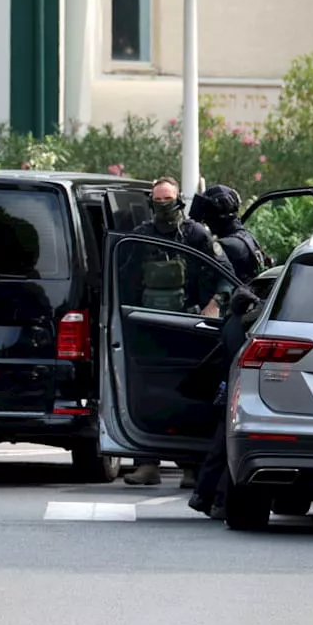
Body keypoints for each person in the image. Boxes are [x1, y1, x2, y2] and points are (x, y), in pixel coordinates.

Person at [123, 176, 233, 488]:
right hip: (149, 327)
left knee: (189, 395)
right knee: (148, 394)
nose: (162, 206)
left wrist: (214, 305)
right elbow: (125, 278)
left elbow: (225, 276)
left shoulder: (197, 235)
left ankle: (190, 467)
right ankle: (146, 464)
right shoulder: (141, 237)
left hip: (189, 327)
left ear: (179, 200)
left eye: (167, 200)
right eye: (157, 201)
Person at [187, 286, 264, 520]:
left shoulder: (230, 324)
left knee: (219, 449)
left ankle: (202, 496)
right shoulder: (249, 327)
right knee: (230, 452)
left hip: (228, 390)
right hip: (242, 393)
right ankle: (218, 500)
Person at [190, 184, 269, 282]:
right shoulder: (247, 238)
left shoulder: (225, 246)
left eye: (207, 214)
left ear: (214, 215)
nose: (205, 221)